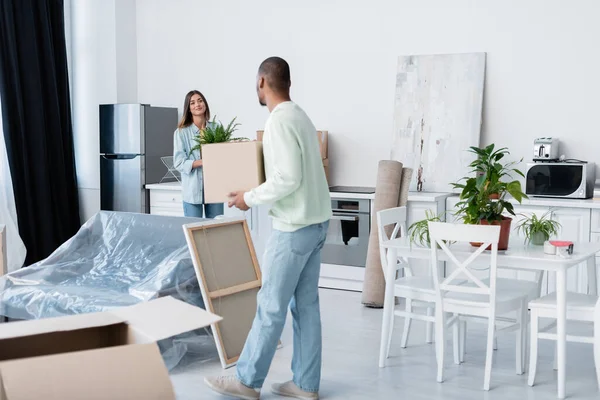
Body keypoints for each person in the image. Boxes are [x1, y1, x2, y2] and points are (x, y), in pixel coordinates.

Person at [204, 57, 332, 399]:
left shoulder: (278, 120)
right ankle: (305, 385)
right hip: (315, 225)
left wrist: (248, 197)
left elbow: (287, 178)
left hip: (293, 229)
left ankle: (246, 381)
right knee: (306, 308)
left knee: (271, 306)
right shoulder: (300, 116)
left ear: (263, 81)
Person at [173, 90, 224, 218]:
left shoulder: (216, 128)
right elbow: (179, 163)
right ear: (188, 108)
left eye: (200, 100)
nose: (197, 104)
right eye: (192, 102)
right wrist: (202, 162)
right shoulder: (181, 133)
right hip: (192, 190)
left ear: (205, 104)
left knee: (216, 229)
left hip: (215, 188)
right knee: (194, 231)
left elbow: (224, 155)